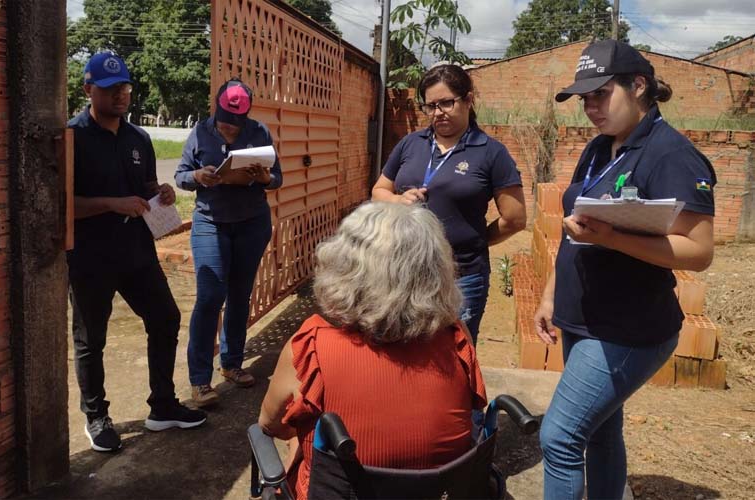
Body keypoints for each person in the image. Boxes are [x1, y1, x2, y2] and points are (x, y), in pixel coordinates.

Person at [534, 40, 716, 499]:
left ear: (639, 86)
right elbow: (574, 230)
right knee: (598, 430)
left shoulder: (671, 154)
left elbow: (698, 251)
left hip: (625, 329)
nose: (591, 107)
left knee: (559, 437)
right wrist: (550, 295)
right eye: (585, 98)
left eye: (601, 94)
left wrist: (612, 237)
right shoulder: (600, 149)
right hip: (585, 317)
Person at [258, 202, 488, 500]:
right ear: (436, 270)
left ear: (344, 267)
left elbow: (270, 425)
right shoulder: (456, 337)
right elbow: (469, 413)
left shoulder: (312, 346)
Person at [67, 52, 207, 453]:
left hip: (137, 251)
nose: (121, 96)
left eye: (125, 88)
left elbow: (144, 186)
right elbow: (63, 206)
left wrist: (159, 193)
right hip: (91, 257)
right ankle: (96, 416)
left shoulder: (138, 139)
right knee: (91, 339)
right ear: (88, 89)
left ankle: (162, 405)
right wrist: (112, 203)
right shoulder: (72, 138)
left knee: (165, 317)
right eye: (112, 90)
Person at [372, 63, 526, 344]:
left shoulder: (491, 152)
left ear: (468, 100)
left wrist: (476, 242)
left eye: (446, 103)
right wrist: (398, 199)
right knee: (404, 350)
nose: (437, 112)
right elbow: (379, 190)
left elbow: (515, 218)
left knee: (454, 356)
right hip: (403, 271)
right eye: (430, 106)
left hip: (460, 276)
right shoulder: (411, 144)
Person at [175, 78, 282, 407]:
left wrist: (264, 177)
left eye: (236, 124)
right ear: (216, 108)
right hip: (211, 223)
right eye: (224, 121)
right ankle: (199, 380)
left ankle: (232, 363)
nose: (229, 128)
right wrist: (197, 176)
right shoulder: (200, 132)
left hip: (251, 223)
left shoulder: (259, 132)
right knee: (210, 296)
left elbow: (277, 177)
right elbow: (180, 176)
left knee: (240, 294)